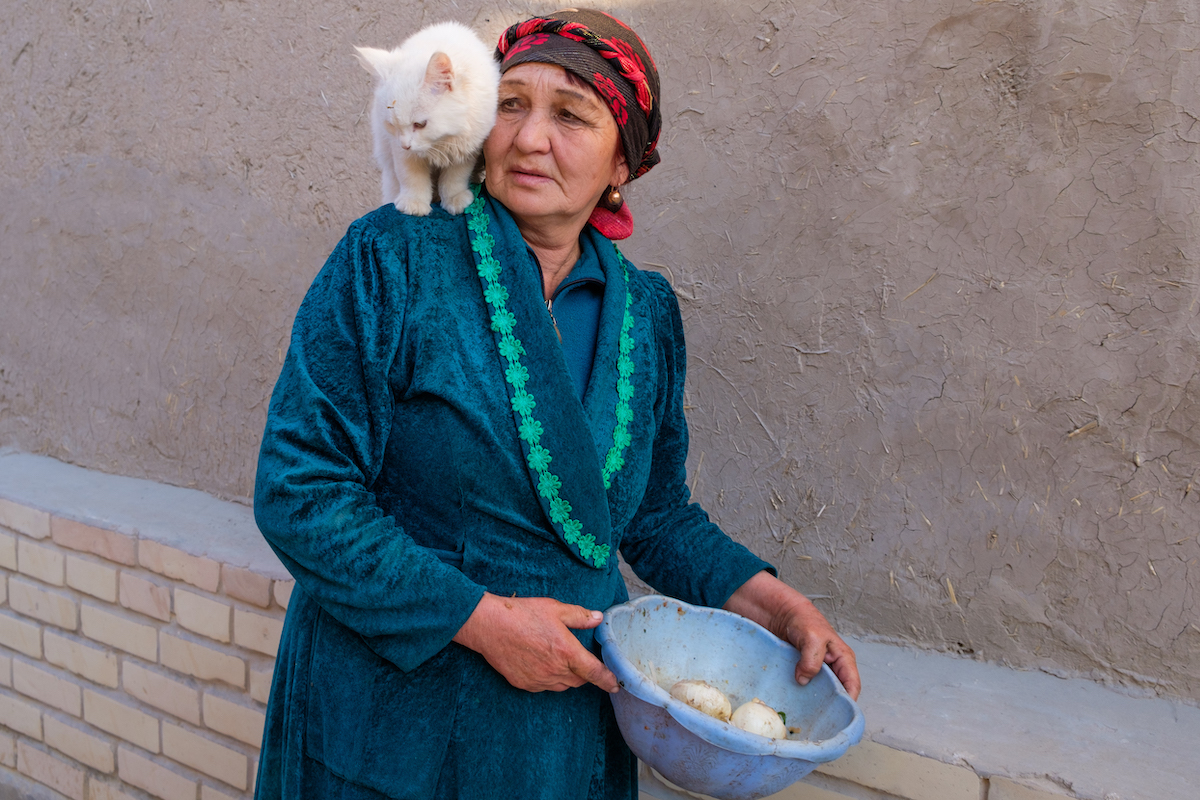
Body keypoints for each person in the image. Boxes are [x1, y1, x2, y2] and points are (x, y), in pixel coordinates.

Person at [252, 9, 860, 800]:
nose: (529, 137)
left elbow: (652, 514)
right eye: (511, 104)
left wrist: (769, 604)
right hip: (391, 717)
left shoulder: (645, 314)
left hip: (556, 736)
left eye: (570, 114)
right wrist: (481, 622)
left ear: (623, 163)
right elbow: (301, 490)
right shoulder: (393, 258)